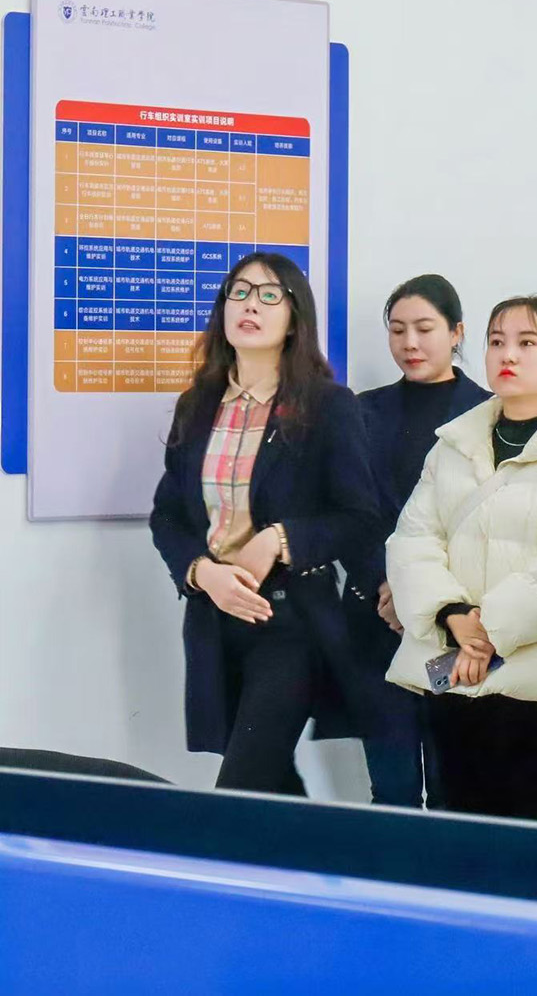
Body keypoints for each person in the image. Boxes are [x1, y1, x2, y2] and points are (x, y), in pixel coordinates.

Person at [385, 295, 537, 865]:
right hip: (455, 678)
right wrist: (452, 616)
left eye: (527, 343)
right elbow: (411, 542)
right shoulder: (451, 449)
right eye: (496, 341)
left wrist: (486, 632)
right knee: (459, 854)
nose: (507, 354)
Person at [150, 252, 380, 794]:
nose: (250, 305)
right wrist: (201, 572)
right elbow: (167, 515)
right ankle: (306, 852)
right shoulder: (197, 405)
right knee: (270, 789)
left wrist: (281, 539)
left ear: (295, 319)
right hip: (214, 619)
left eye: (269, 295)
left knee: (239, 790)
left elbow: (360, 520)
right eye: (239, 292)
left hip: (290, 623)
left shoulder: (327, 406)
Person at [340, 274, 489, 808]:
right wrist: (389, 588)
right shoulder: (360, 411)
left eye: (425, 328)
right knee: (392, 788)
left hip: (457, 627)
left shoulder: (490, 411)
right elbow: (349, 512)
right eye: (398, 330)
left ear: (456, 332)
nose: (410, 343)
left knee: (457, 789)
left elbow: (487, 524)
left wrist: (425, 599)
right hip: (378, 622)